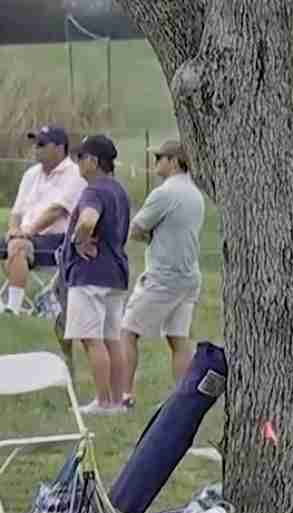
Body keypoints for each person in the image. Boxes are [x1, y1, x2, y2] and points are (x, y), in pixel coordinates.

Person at [118, 138, 205, 405]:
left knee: (127, 331)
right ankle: (182, 400)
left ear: (174, 162)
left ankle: (124, 396)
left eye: (160, 158)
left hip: (163, 277)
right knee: (178, 338)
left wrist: (150, 237)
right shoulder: (195, 194)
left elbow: (135, 229)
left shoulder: (164, 193)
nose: (156, 162)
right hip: (189, 278)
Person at [0, 125, 86, 315]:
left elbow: (57, 211)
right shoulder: (31, 174)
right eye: (35, 144)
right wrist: (14, 229)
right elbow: (17, 211)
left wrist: (26, 232)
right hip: (23, 236)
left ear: (60, 148)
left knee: (18, 246)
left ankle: (13, 309)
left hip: (55, 243)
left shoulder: (76, 174)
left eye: (42, 144)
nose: (36, 148)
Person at [61, 134, 132, 416]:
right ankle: (117, 401)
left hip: (90, 273)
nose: (78, 162)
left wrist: (80, 241)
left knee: (91, 339)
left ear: (92, 160)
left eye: (81, 157)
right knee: (111, 338)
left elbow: (88, 219)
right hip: (115, 272)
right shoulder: (119, 190)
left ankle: (103, 401)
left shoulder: (93, 191)